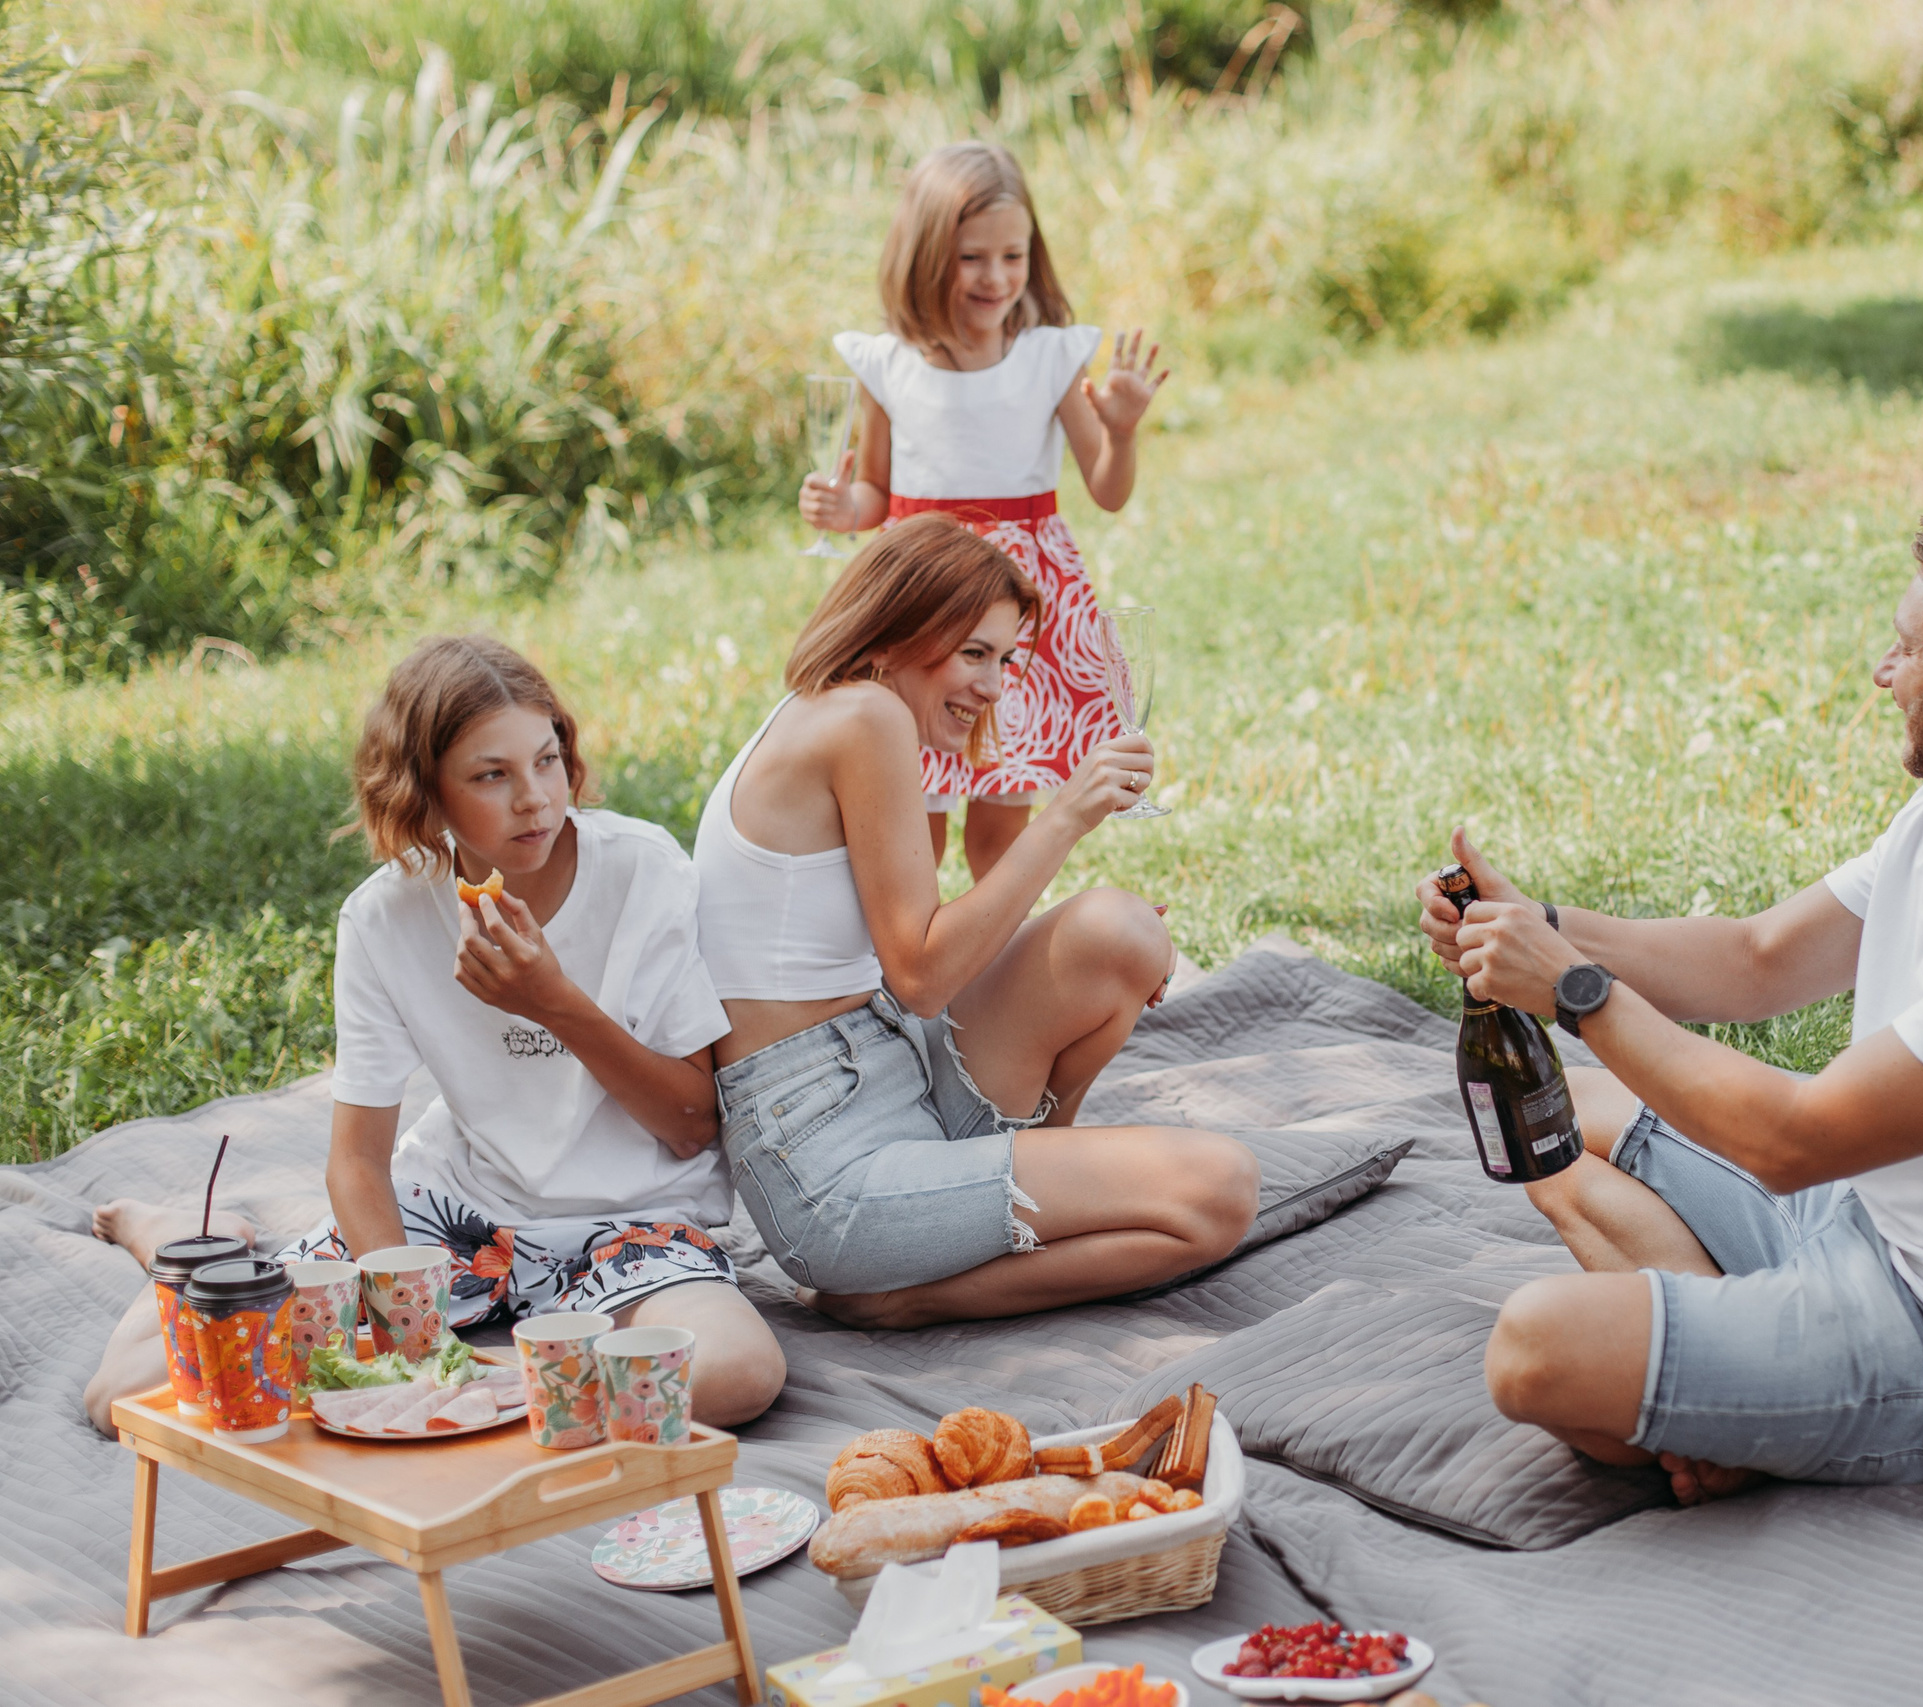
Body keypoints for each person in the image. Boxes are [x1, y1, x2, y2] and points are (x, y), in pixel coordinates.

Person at [1419, 499, 1923, 1501]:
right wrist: (1528, 924)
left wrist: (1572, 990)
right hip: (1865, 1220)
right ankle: (1728, 1400)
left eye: (1903, 647)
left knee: (1533, 1346)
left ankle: (1733, 1404)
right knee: (1551, 1118)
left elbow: (1792, 1143)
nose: (1881, 673)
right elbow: (1757, 960)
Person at [84, 637, 787, 1433]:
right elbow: (356, 1162)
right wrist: (406, 1336)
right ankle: (194, 1244)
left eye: (548, 760)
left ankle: (480, 1400)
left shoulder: (641, 871)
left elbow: (694, 1125)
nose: (536, 799)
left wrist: (554, 1002)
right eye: (492, 775)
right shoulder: (384, 917)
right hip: (454, 1215)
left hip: (631, 1227)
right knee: (120, 1396)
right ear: (427, 795)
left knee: (737, 1371)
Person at [695, 514, 1257, 1330]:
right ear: (897, 631)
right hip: (829, 1165)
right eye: (974, 654)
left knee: (1120, 933)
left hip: (885, 1063)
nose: (994, 687)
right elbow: (924, 976)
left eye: (1006, 659)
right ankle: (904, 1296)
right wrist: (1063, 816)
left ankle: (1035, 1191)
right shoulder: (864, 718)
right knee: (1221, 1189)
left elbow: (912, 960)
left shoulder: (838, 710)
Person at [799, 139, 1170, 880]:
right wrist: (845, 508)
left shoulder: (1049, 359)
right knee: (913, 808)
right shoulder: (889, 365)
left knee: (1002, 820)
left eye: (1013, 255)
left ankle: (992, 965)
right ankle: (915, 956)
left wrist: (1122, 430)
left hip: (1015, 614)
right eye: (973, 257)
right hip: (922, 602)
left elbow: (1107, 487)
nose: (996, 277)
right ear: (925, 255)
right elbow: (877, 491)